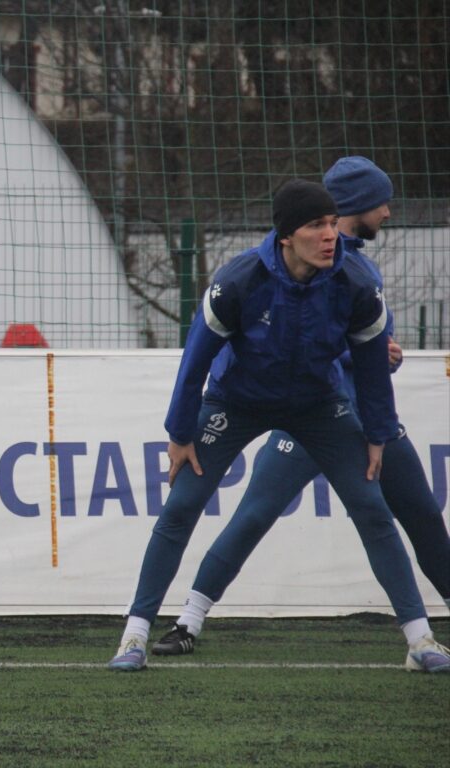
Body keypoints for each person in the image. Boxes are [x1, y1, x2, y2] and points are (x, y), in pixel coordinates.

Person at [107, 179, 450, 674]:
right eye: (316, 226)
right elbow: (194, 360)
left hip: (318, 406)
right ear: (287, 236)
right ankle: (135, 635)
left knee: (372, 507)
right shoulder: (239, 280)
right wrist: (180, 433)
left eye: (332, 223)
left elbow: (373, 366)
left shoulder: (355, 280)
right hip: (236, 402)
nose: (330, 235)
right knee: (182, 506)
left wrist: (378, 433)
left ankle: (420, 641)